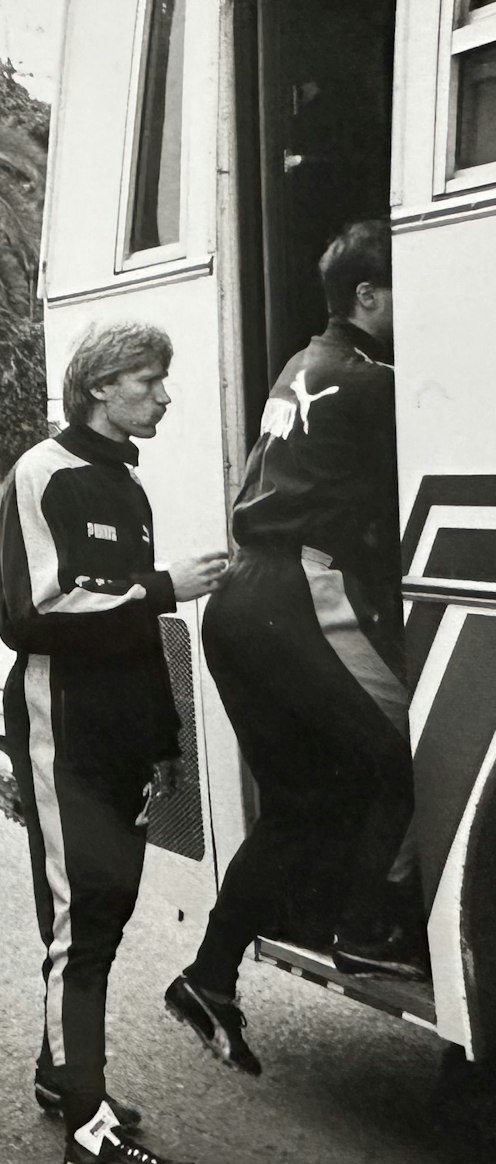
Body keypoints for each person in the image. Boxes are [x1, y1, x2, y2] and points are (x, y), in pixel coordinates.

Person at [169, 220, 422, 1056]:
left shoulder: (301, 366)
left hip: (244, 599)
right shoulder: (374, 381)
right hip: (302, 593)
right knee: (421, 752)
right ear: (367, 295)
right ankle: (371, 928)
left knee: (304, 803)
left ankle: (209, 975)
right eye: (404, 288)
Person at [0, 320, 228, 1164]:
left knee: (106, 912)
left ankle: (65, 1076)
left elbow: (136, 630)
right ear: (99, 386)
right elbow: (32, 614)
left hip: (123, 734)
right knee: (81, 919)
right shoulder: (44, 472)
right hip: (64, 730)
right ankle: (90, 1144)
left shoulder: (125, 480)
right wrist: (163, 585)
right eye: (147, 379)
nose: (162, 395)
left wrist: (165, 738)